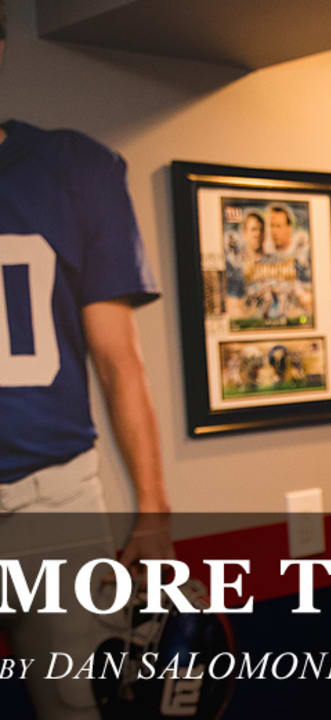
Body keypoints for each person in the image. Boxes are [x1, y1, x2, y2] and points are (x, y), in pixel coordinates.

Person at [0, 4, 173, 717]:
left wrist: (154, 507)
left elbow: (117, 360)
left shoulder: (73, 167)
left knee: (78, 702)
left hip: (54, 495)